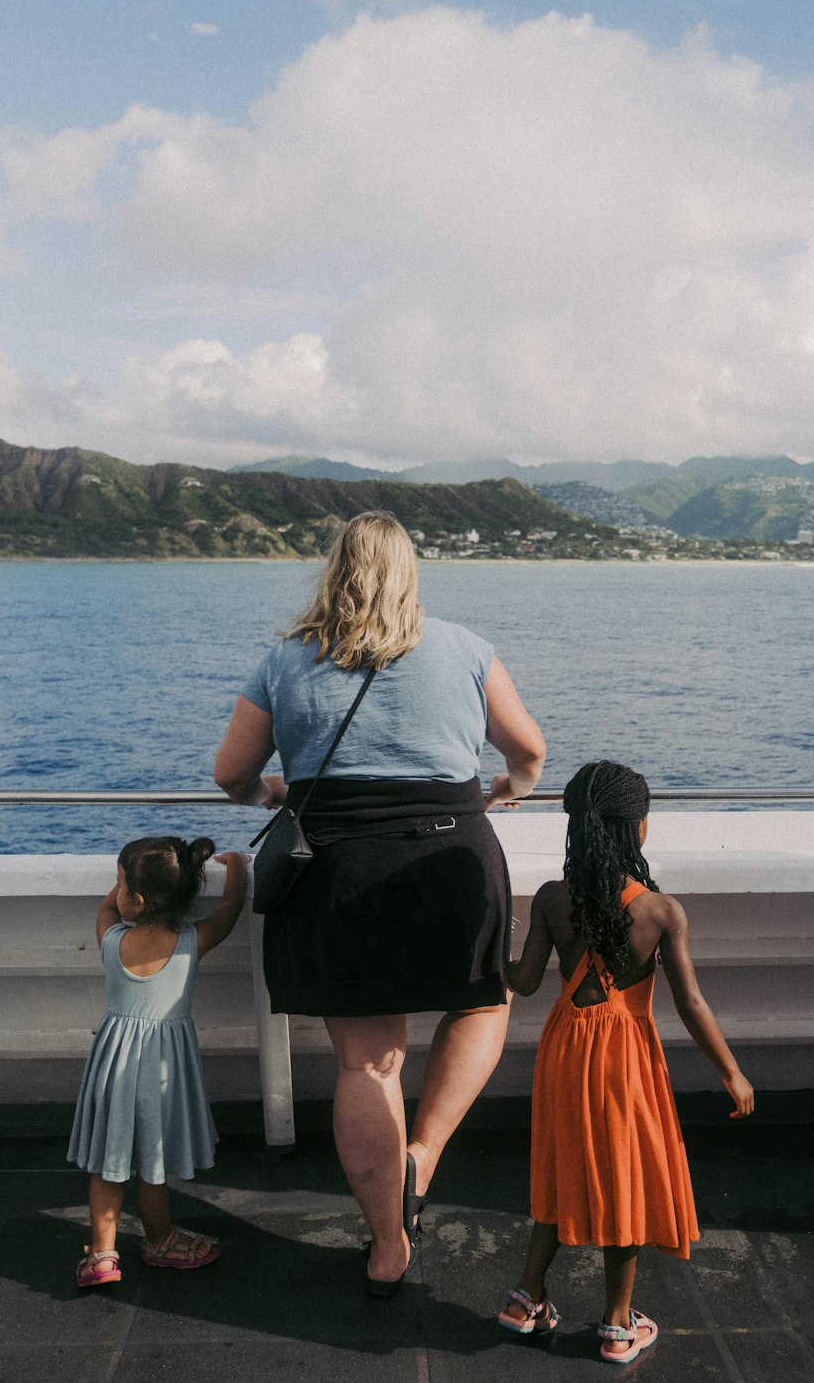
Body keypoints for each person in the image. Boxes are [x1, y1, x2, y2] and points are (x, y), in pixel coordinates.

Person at [214, 510, 545, 1295]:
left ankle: (389, 1246)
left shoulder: (287, 660)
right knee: (484, 998)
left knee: (367, 1061)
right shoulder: (465, 648)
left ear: (335, 570)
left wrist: (268, 791)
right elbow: (528, 750)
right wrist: (510, 790)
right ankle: (423, 1154)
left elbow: (231, 772)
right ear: (410, 572)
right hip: (451, 856)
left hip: (338, 865)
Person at [499, 760, 753, 1364]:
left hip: (564, 1047)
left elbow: (525, 981)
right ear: (636, 828)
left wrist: (491, 944)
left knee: (564, 1168)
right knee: (625, 1180)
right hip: (625, 1057)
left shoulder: (553, 900)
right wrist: (731, 1070)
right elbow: (690, 1003)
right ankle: (616, 1325)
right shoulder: (662, 912)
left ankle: (523, 1299)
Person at [68, 837, 248, 1286]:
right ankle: (160, 1240)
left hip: (113, 1070)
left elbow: (107, 911)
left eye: (121, 883)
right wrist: (239, 870)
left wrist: (121, 889)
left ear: (140, 900)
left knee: (107, 1164)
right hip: (160, 1076)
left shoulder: (113, 941)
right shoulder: (191, 941)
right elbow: (229, 910)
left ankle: (103, 1257)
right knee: (152, 1166)